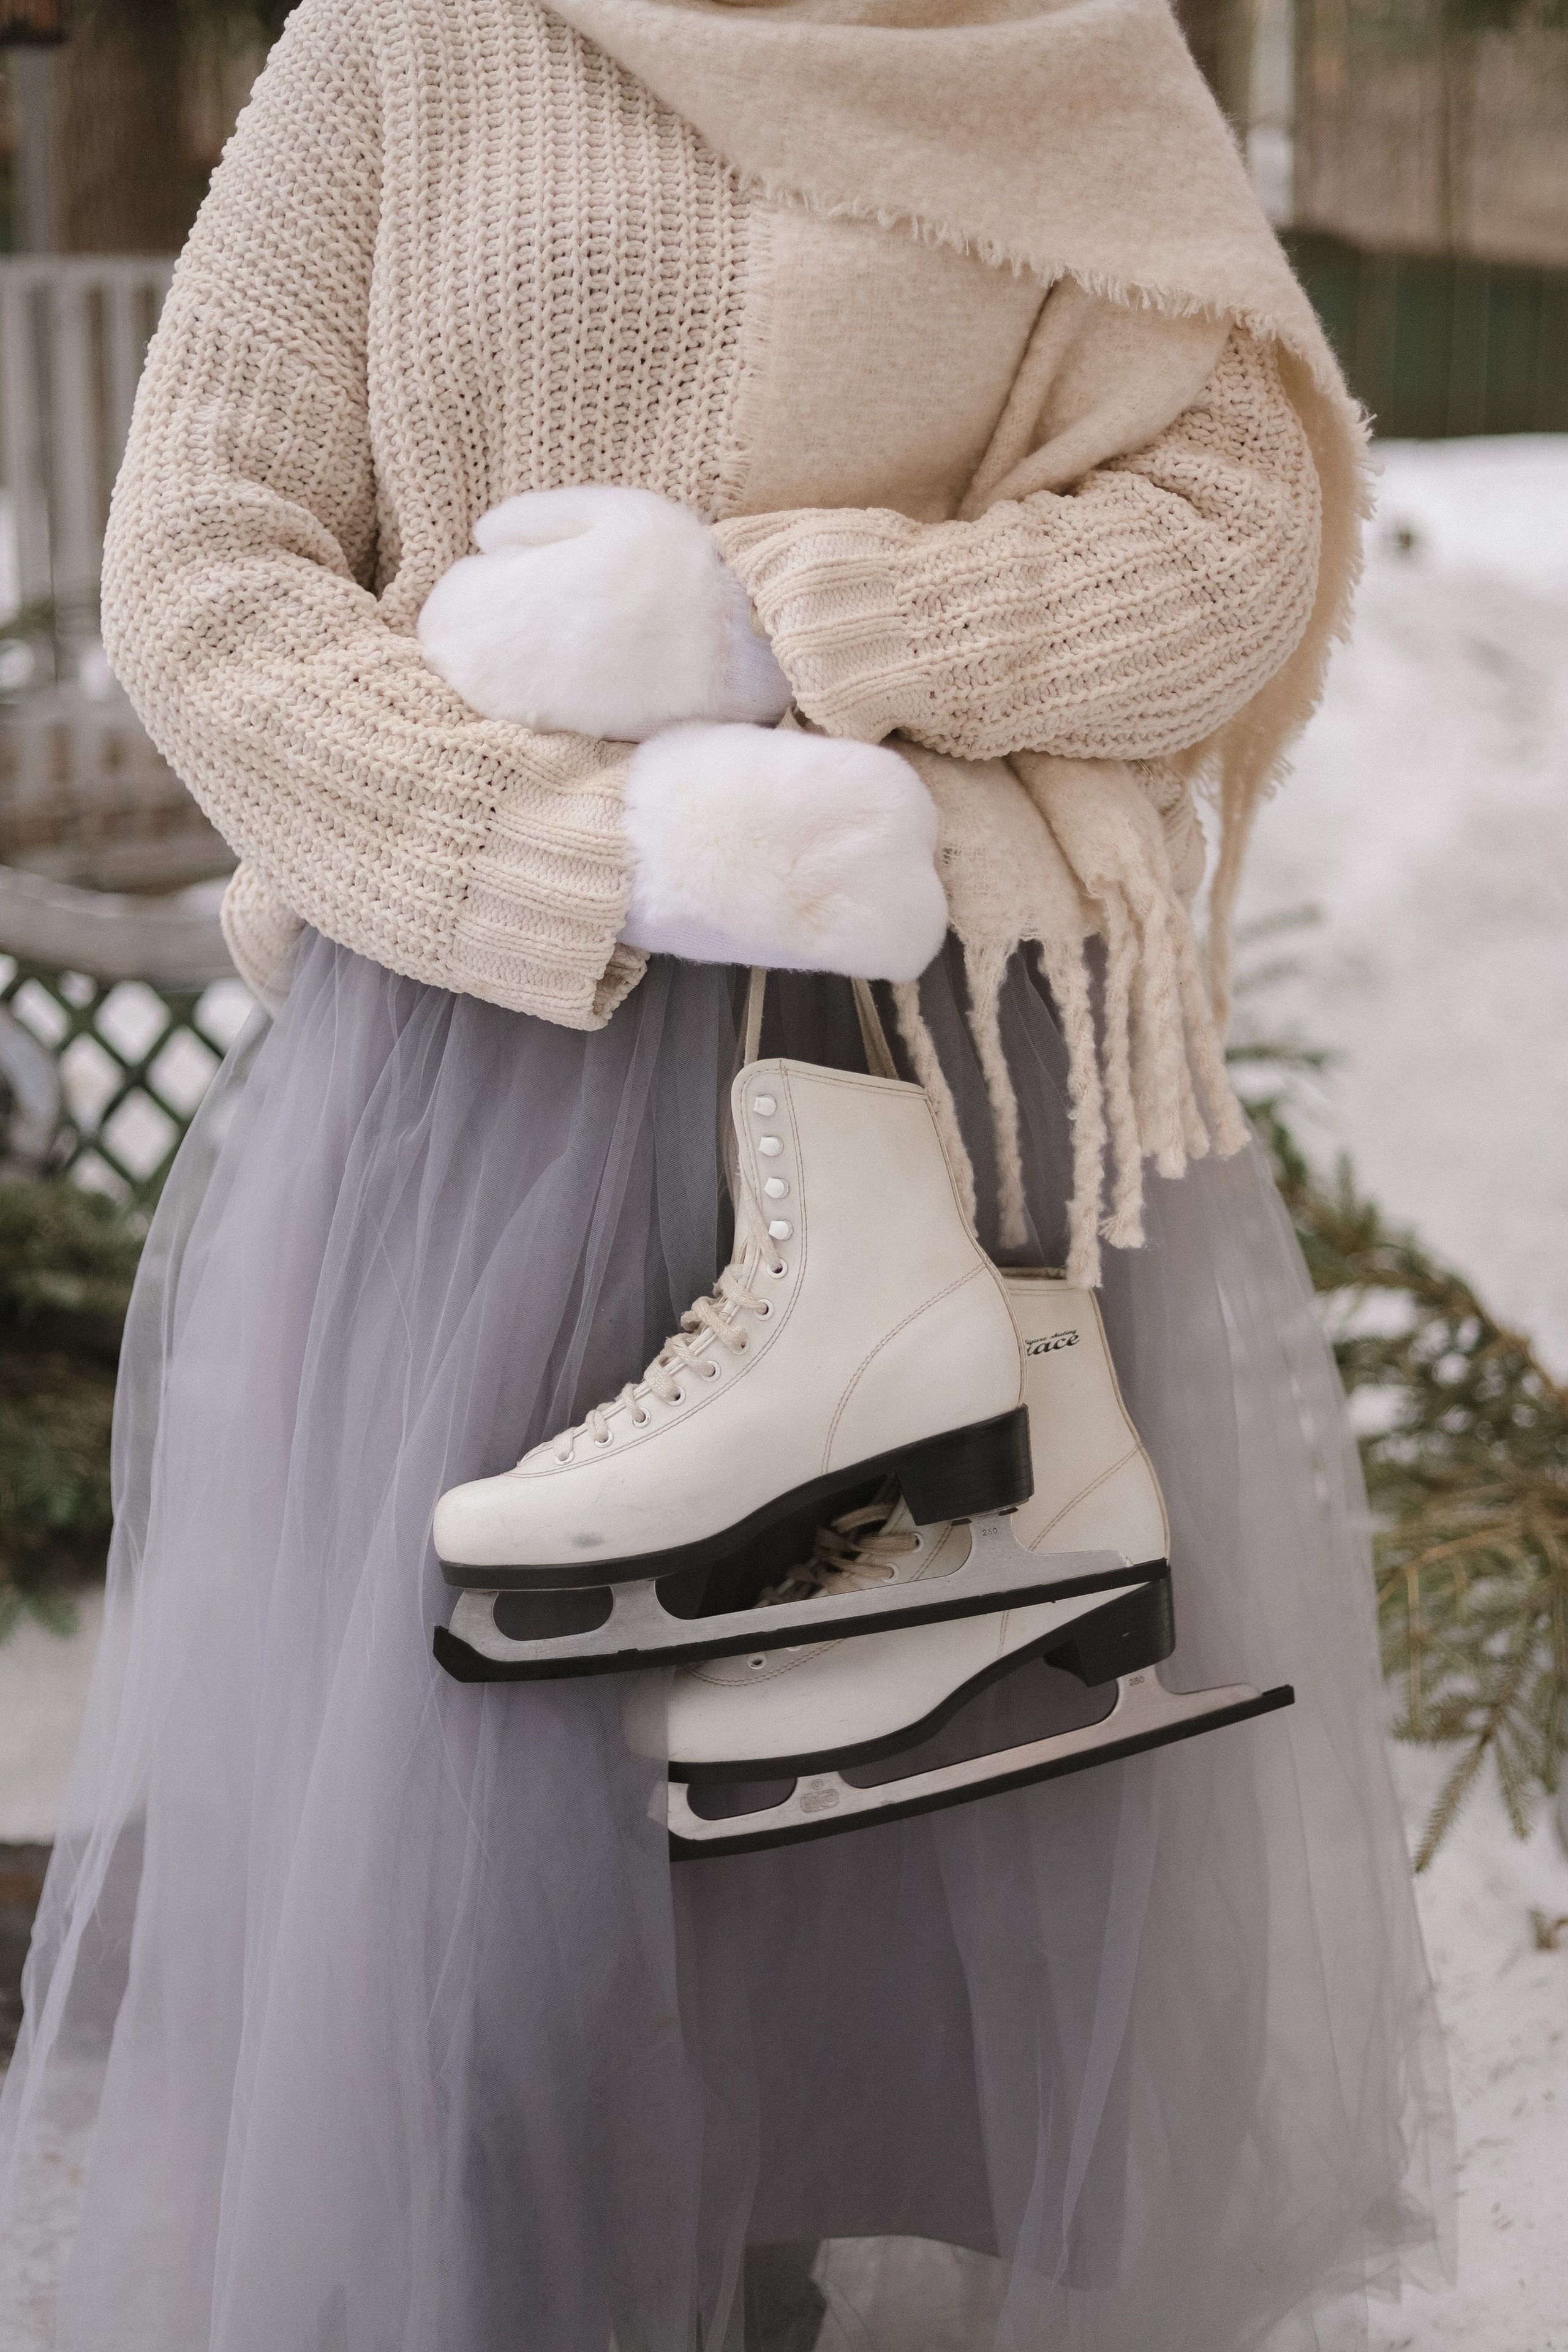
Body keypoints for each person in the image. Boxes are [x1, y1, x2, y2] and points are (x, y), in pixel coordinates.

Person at [0, 1, 1453, 2344]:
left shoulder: (1057, 45)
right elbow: (204, 562)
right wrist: (610, 842)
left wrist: (788, 624)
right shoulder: (407, 38)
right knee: (506, 1942)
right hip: (492, 1095)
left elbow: (1236, 543)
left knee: (876, 1913)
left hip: (945, 1116)